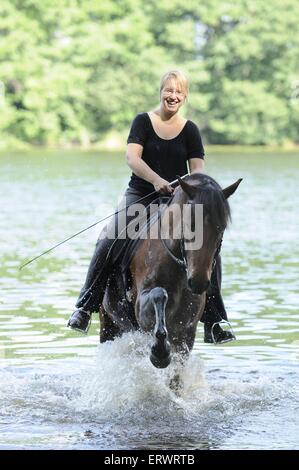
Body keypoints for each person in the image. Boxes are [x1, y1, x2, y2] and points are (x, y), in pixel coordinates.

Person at [67, 70, 235, 344]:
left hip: (177, 200)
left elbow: (197, 171)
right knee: (110, 238)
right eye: (169, 90)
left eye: (179, 92)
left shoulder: (190, 130)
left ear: (185, 96)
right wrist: (156, 180)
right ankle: (85, 305)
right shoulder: (143, 122)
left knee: (207, 248)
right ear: (161, 91)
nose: (173, 96)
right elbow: (132, 158)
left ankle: (216, 319)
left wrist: (189, 190)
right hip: (141, 196)